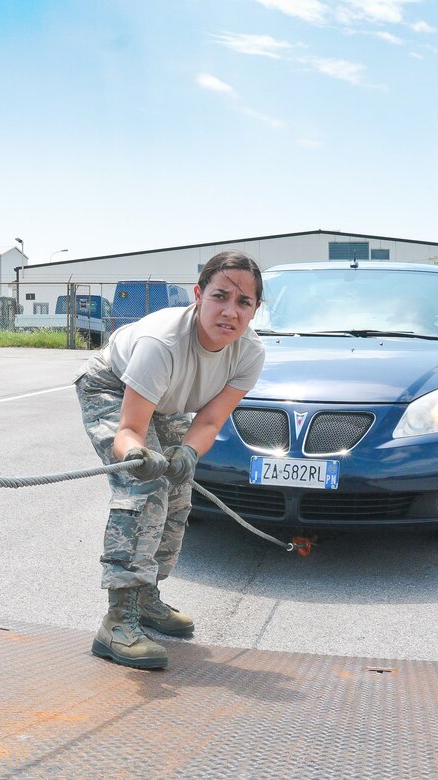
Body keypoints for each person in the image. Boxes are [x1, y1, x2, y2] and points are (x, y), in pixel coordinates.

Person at [75, 250, 265, 670]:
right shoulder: (162, 342)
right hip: (111, 386)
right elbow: (129, 430)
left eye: (244, 302)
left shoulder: (249, 353)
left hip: (165, 402)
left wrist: (189, 452)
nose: (230, 311)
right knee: (146, 489)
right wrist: (137, 456)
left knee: (178, 491)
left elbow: (210, 420)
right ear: (198, 295)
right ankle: (116, 621)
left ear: (255, 309)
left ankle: (146, 597)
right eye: (220, 296)